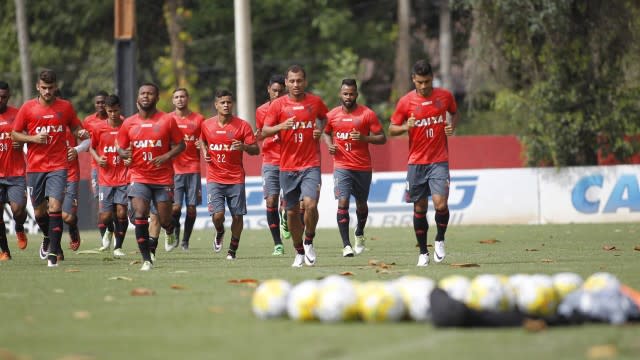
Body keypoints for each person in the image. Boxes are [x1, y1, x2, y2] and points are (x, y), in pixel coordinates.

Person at [11, 69, 88, 267]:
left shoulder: (65, 107)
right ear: (38, 86)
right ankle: (48, 237)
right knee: (39, 213)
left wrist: (82, 132)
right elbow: (15, 135)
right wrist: (33, 139)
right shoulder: (28, 108)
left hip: (58, 166)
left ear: (56, 87)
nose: (47, 91)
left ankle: (53, 254)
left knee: (55, 207)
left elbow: (76, 128)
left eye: (50, 88)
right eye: (44, 88)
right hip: (35, 167)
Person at [389, 60, 457, 267]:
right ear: (413, 80)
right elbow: (391, 129)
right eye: (420, 82)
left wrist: (451, 125)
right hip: (416, 163)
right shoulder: (406, 102)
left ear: (432, 78)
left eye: (427, 81)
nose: (424, 86)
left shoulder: (444, 96)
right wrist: (404, 128)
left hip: (439, 160)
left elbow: (453, 112)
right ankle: (422, 252)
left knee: (441, 204)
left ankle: (440, 239)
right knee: (420, 208)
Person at [262, 64, 329, 267]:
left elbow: (325, 118)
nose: (296, 84)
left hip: (311, 164)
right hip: (287, 167)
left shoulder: (315, 102)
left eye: (299, 80)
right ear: (286, 83)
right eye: (292, 81)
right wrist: (281, 127)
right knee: (291, 212)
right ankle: (298, 251)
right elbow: (264, 131)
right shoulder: (278, 105)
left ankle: (309, 240)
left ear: (305, 81)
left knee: (310, 204)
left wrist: (320, 129)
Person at [117, 83, 185, 271]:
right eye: (142, 93)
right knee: (140, 213)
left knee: (164, 220)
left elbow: (181, 145)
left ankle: (170, 230)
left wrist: (166, 156)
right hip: (138, 176)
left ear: (157, 98)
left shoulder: (167, 120)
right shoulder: (129, 122)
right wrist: (123, 153)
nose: (146, 96)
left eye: (150, 94)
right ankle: (147, 259)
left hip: (163, 178)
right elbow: (120, 147)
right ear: (138, 98)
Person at [322, 79, 386, 257]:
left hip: (363, 167)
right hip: (342, 166)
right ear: (340, 94)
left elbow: (382, 138)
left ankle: (359, 232)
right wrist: (329, 145)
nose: (348, 97)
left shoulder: (367, 114)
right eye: (345, 93)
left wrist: (365, 139)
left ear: (356, 95)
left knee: (361, 204)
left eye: (351, 94)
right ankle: (346, 245)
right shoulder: (332, 115)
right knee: (342, 202)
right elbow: (326, 132)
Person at [201, 90, 258, 260]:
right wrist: (205, 151)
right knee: (218, 216)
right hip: (214, 178)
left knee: (237, 216)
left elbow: (256, 149)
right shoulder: (206, 125)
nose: (226, 105)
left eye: (228, 102)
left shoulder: (242, 126)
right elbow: (202, 140)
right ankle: (219, 232)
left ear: (232, 104)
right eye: (222, 102)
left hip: (235, 178)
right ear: (216, 105)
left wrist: (244, 147)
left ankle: (232, 249)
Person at [90, 94, 130, 257]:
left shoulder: (127, 125)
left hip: (124, 177)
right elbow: (91, 147)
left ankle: (118, 247)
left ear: (120, 108)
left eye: (115, 110)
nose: (113, 114)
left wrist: (129, 158)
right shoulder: (99, 128)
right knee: (106, 216)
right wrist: (98, 158)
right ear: (106, 110)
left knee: (121, 212)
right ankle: (110, 230)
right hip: (105, 179)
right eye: (110, 111)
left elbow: (134, 145)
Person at [255, 74, 288, 256]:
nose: (277, 94)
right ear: (268, 90)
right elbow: (262, 133)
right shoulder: (261, 111)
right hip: (269, 160)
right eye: (274, 90)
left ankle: (285, 218)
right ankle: (277, 244)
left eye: (280, 91)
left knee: (290, 204)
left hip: (289, 160)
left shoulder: (291, 110)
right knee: (271, 200)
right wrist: (257, 136)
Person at [168, 88, 205, 250]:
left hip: (193, 168)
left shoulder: (198, 119)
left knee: (191, 208)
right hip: (174, 169)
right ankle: (175, 231)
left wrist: (202, 144)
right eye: (176, 97)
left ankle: (185, 241)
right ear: (173, 100)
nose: (180, 99)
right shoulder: (168, 119)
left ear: (187, 98)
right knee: (175, 207)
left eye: (182, 96)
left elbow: (207, 138)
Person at [83, 91, 116, 249]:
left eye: (103, 102)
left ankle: (117, 237)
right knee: (101, 204)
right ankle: (106, 236)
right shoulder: (88, 121)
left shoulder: (119, 121)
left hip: (117, 168)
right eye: (98, 102)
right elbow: (87, 146)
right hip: (97, 168)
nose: (100, 105)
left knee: (118, 207)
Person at [0, 81, 29, 260]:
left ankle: (19, 226)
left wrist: (23, 140)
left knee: (18, 210)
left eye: (3, 97)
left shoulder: (17, 114)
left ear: (8, 96)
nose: (0, 100)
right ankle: (4, 251)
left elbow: (29, 135)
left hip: (15, 172)